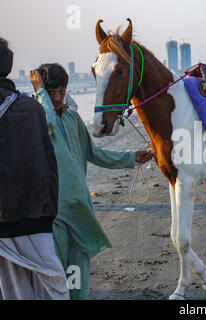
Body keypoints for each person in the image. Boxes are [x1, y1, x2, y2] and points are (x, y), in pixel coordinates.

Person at [29, 63, 154, 300]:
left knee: (77, 279)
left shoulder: (73, 118)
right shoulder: (37, 120)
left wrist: (130, 157)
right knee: (53, 280)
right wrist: (39, 91)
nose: (57, 98)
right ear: (42, 92)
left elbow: (94, 154)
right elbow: (49, 123)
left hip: (80, 211)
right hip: (53, 215)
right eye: (51, 92)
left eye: (61, 91)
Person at [0, 38, 69, 300]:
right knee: (56, 284)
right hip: (35, 216)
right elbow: (48, 166)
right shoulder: (31, 109)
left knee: (12, 288)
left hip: (8, 218)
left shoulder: (33, 107)